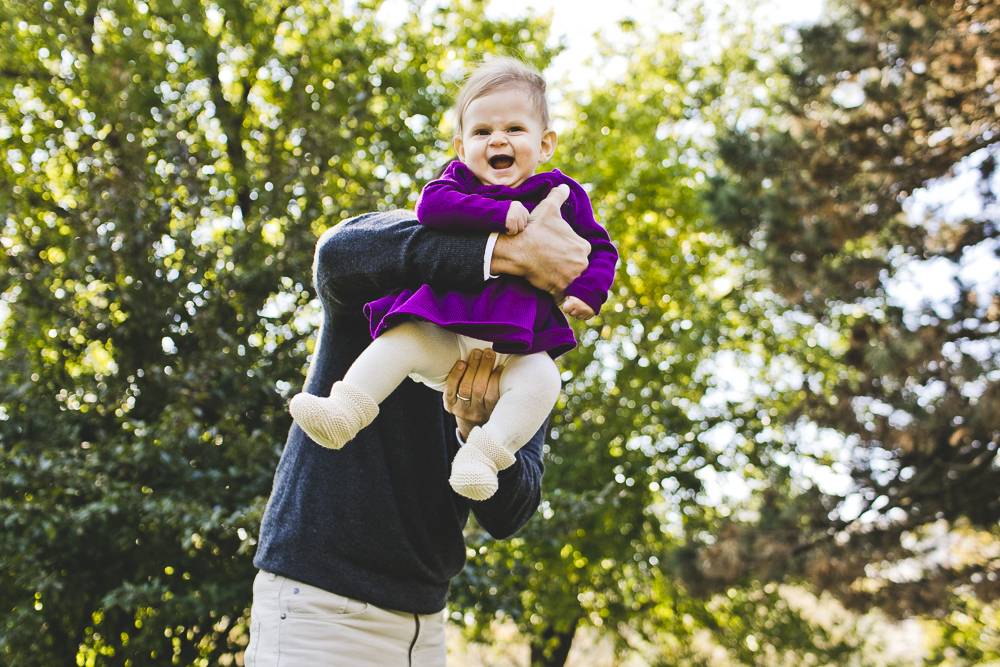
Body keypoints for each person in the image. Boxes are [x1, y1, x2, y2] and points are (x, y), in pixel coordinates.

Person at [247, 186, 591, 665]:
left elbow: (511, 512)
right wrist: (500, 251)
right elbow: (336, 252)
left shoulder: (526, 351)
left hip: (423, 626)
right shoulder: (394, 273)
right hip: (318, 605)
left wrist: (477, 431)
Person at [288, 57, 618, 501]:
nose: (497, 139)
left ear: (545, 145)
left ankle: (482, 454)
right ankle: (345, 409)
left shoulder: (562, 196)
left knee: (544, 379)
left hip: (515, 349)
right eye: (482, 132)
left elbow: (598, 249)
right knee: (404, 338)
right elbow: (431, 208)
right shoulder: (458, 184)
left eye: (515, 129)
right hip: (446, 330)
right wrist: (500, 219)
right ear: (462, 149)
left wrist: (587, 291)